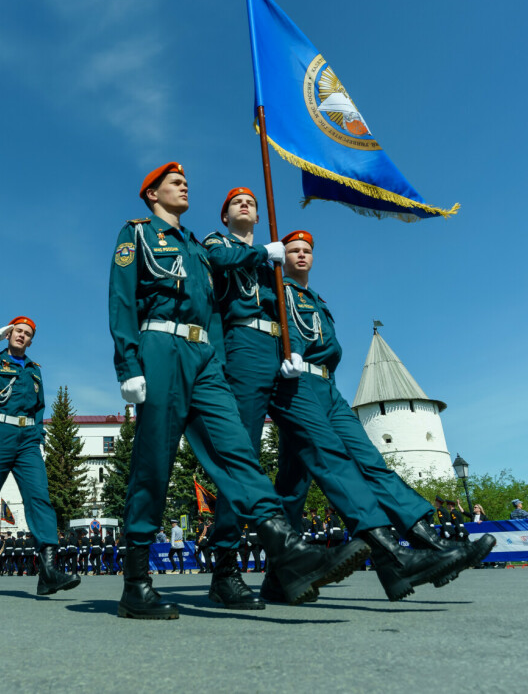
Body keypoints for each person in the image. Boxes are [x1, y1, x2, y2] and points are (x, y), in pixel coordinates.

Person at [108, 164, 389, 619]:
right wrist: (129, 362)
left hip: (206, 359)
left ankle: (287, 544)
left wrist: (217, 362)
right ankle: (136, 582)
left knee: (238, 451)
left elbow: (214, 313)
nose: (184, 185)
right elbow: (121, 298)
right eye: (173, 183)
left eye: (185, 182)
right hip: (160, 348)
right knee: (153, 463)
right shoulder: (137, 235)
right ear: (151, 194)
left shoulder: (196, 250)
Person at [265, 228, 493, 602]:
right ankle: (395, 558)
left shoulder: (317, 300)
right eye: (293, 251)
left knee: (349, 469)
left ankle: (428, 544)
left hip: (328, 390)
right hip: (295, 386)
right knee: (325, 465)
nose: (301, 255)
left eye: (307, 250)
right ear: (281, 257)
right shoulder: (275, 290)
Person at [0, 318, 79, 599]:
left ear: (31, 341)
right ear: (10, 334)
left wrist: (39, 439)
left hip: (28, 441)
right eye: (18, 331)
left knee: (40, 498)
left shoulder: (35, 370)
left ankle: (48, 572)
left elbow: (39, 407)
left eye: (27, 334)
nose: (22, 336)